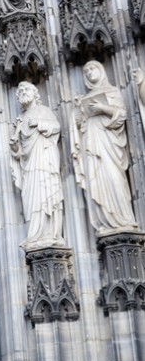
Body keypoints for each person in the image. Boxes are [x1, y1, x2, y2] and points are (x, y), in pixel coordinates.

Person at [72, 61, 138, 233]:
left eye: (92, 68)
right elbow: (80, 124)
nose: (88, 72)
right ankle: (105, 221)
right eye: (86, 70)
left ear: (101, 71)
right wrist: (79, 113)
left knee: (113, 177)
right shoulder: (85, 98)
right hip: (91, 143)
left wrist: (102, 107)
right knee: (97, 180)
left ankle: (122, 220)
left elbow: (121, 114)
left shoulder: (112, 91)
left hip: (109, 144)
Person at [9, 82, 65, 247]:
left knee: (46, 194)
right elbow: (19, 152)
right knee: (31, 198)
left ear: (35, 93)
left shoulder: (44, 111)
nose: (22, 93)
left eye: (26, 90)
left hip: (44, 160)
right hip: (29, 167)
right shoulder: (21, 120)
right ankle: (35, 235)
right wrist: (14, 143)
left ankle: (49, 234)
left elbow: (56, 127)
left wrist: (38, 124)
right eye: (19, 91)